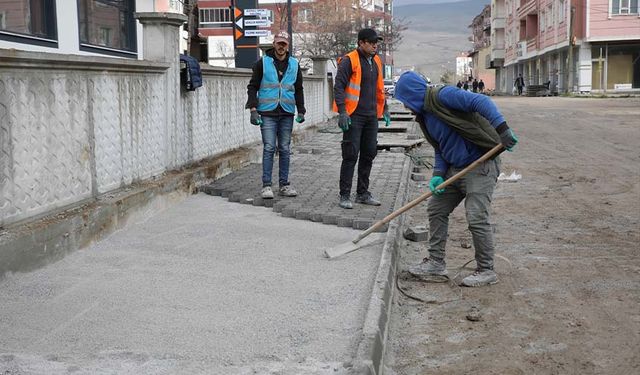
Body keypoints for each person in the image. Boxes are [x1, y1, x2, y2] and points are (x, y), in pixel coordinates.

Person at [394, 71, 519, 287]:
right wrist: (437, 176)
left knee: (476, 216)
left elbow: (480, 101)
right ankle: (435, 262)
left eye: (405, 101)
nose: (405, 107)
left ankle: (486, 270)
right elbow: (441, 147)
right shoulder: (425, 117)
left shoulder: (443, 96)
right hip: (455, 168)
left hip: (481, 164)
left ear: (412, 94)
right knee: (436, 208)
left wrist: (503, 129)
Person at [333, 28, 390, 209]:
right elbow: (339, 87)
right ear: (361, 43)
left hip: (371, 116)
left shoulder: (377, 61)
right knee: (350, 154)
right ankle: (344, 195)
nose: (375, 45)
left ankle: (363, 193)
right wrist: (342, 111)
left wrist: (385, 109)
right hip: (354, 116)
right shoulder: (349, 60)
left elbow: (379, 88)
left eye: (377, 42)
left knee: (369, 154)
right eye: (372, 42)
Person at [246, 31, 305, 199]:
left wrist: (301, 110)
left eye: (284, 44)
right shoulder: (262, 63)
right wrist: (253, 109)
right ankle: (266, 186)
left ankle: (284, 185)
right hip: (267, 113)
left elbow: (299, 89)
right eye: (279, 43)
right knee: (269, 147)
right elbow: (252, 87)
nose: (281, 46)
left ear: (288, 46)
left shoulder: (294, 64)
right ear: (274, 44)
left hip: (286, 112)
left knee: (285, 149)